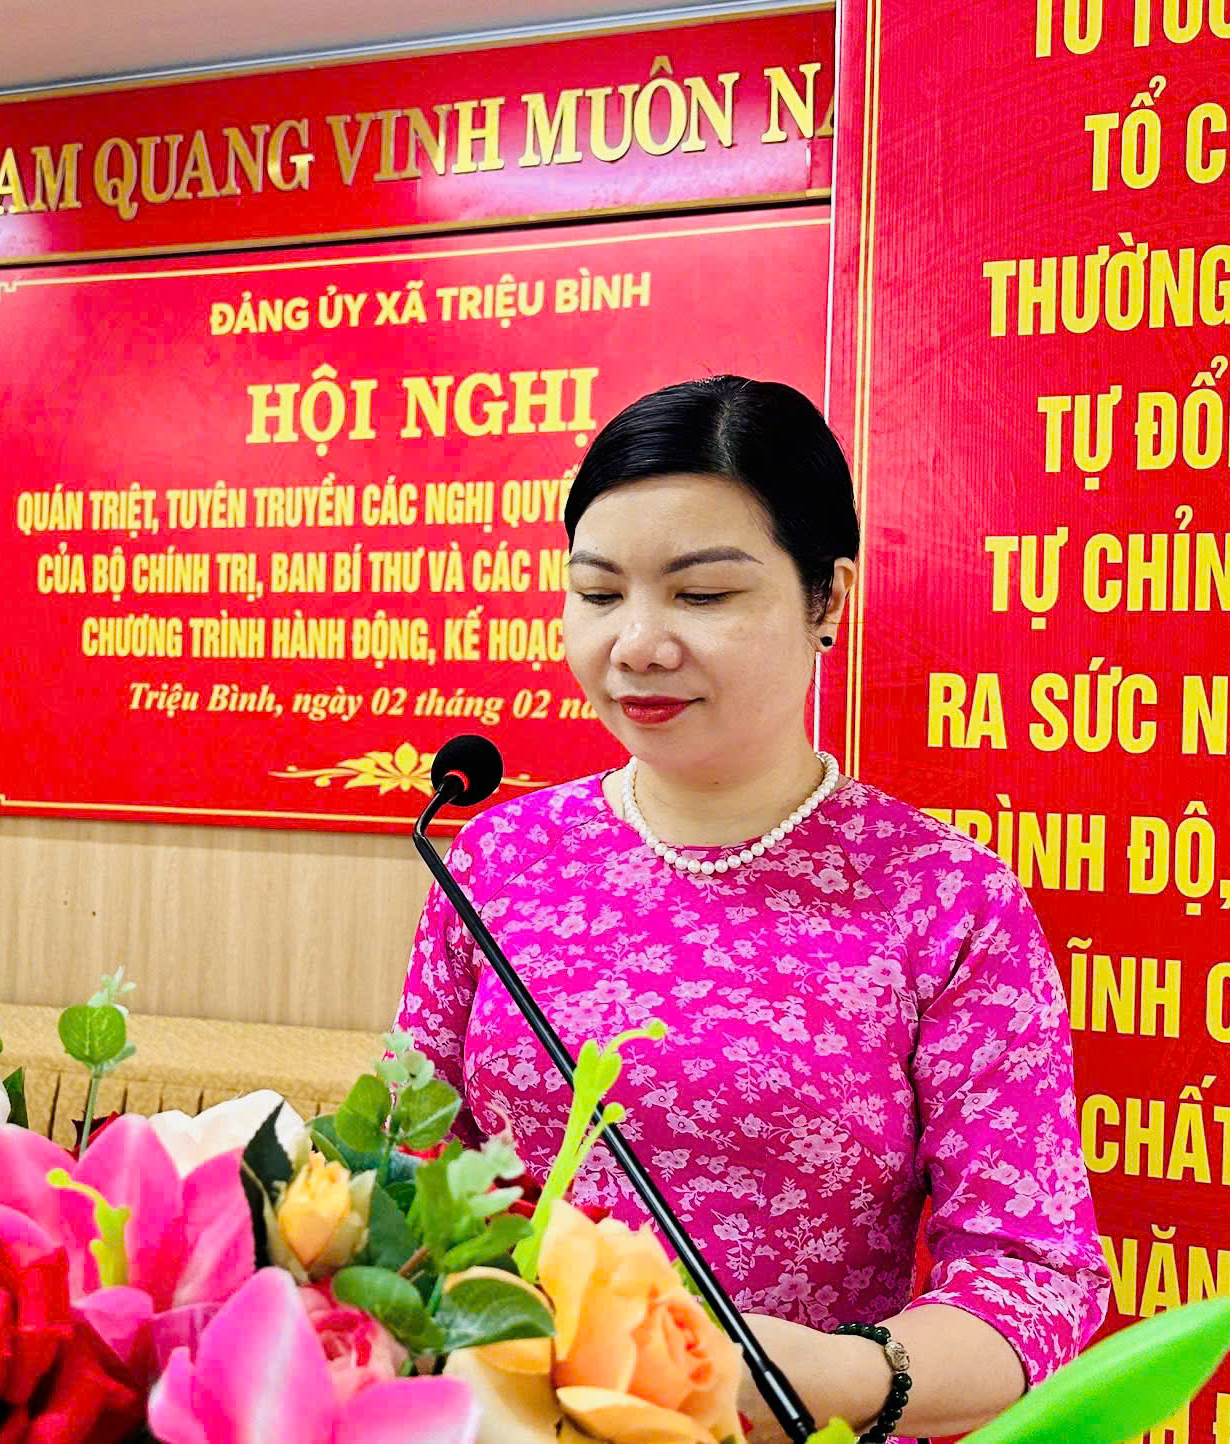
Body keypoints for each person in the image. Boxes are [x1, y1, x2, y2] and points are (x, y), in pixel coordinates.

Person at [394, 377, 1105, 1441]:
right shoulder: (501, 855)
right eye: (598, 593)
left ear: (828, 600)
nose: (637, 644)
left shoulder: (943, 898)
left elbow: (1034, 1277)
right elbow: (406, 1159)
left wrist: (847, 1374)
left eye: (702, 594)